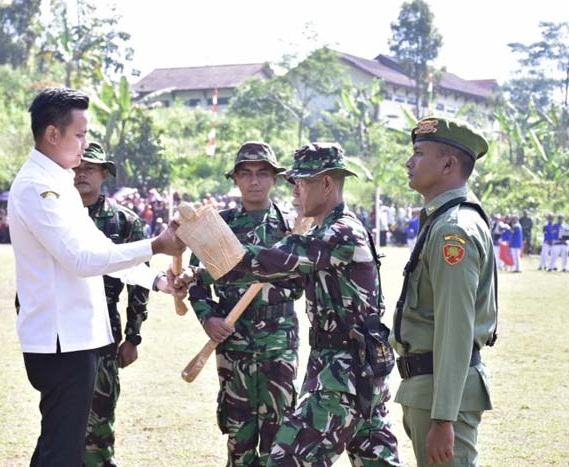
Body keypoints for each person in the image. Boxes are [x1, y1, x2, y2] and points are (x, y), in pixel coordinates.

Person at [181, 142, 401, 466]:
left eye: (301, 182)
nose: (294, 192)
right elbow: (276, 268)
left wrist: (202, 267)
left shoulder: (337, 233)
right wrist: (199, 274)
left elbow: (273, 261)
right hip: (356, 366)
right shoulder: (329, 230)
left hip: (345, 373)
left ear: (326, 183)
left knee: (286, 458)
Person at [7, 87, 185, 467]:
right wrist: (156, 244)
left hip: (75, 338)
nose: (85, 144)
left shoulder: (59, 182)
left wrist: (155, 281)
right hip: (60, 342)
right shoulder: (37, 187)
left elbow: (101, 246)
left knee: (62, 448)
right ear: (52, 134)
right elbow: (82, 259)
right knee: (62, 452)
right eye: (80, 134)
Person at [188, 141, 304, 466]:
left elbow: (306, 280)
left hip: (278, 344)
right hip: (232, 341)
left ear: (274, 179)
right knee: (238, 435)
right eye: (246, 173)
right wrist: (207, 318)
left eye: (262, 173)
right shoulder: (216, 227)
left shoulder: (293, 228)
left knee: (279, 435)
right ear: (235, 179)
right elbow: (195, 281)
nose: (254, 181)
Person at [392, 117, 497, 466]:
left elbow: (456, 328)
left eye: (419, 154)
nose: (409, 163)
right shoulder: (442, 220)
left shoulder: (454, 230)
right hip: (428, 387)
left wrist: (443, 418)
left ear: (449, 164)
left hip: (441, 393)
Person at [70, 142, 151, 467]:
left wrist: (133, 337)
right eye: (76, 168)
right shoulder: (56, 216)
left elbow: (140, 284)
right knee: (62, 423)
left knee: (100, 423)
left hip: (103, 333)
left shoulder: (123, 222)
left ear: (104, 173)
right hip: (61, 332)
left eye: (89, 168)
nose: (81, 175)